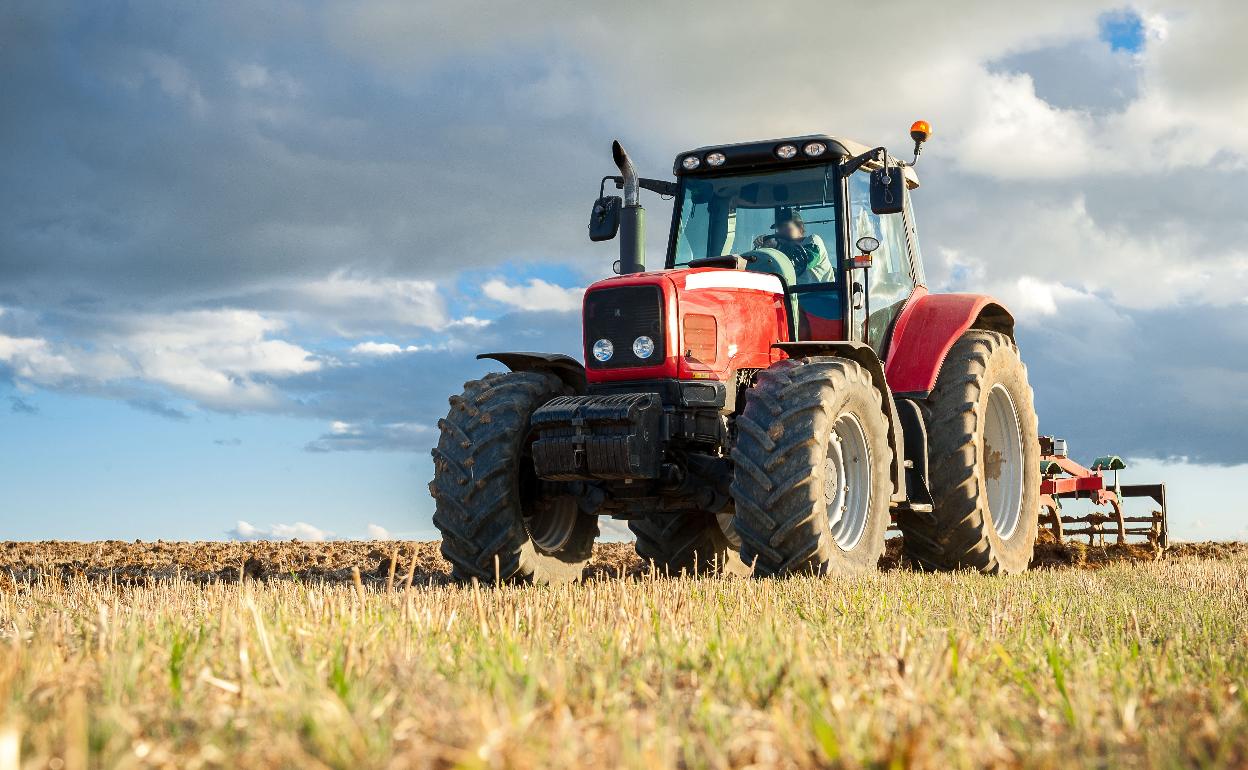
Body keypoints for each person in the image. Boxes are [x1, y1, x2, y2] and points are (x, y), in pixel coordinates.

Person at [753, 210, 833, 284]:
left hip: (820, 294)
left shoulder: (813, 241)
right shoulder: (783, 250)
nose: (779, 231)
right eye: (779, 228)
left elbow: (799, 262)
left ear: (800, 227)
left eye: (785, 226)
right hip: (797, 296)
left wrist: (776, 247)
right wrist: (764, 251)